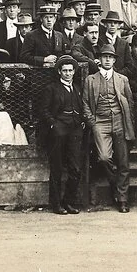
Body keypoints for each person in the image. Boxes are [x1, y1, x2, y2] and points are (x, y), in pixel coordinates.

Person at [82, 44, 137, 213]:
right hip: (100, 121)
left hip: (120, 121)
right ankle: (116, 183)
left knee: (123, 161)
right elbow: (85, 103)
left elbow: (130, 102)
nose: (107, 60)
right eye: (104, 57)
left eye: (110, 57)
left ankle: (122, 199)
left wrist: (129, 123)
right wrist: (92, 122)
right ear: (99, 60)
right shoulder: (90, 80)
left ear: (114, 60)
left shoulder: (122, 79)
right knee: (104, 157)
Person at [39, 55, 85, 214]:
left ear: (74, 72)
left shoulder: (78, 88)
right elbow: (43, 110)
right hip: (58, 132)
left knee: (75, 168)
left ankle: (69, 202)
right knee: (57, 168)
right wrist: (53, 124)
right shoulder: (51, 88)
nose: (68, 73)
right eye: (64, 70)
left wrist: (80, 123)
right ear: (59, 72)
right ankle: (56, 204)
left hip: (74, 131)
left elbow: (82, 108)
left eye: (70, 70)